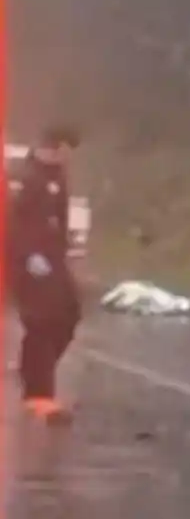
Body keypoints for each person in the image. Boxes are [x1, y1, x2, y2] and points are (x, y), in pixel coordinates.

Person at [8, 124, 82, 424]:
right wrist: (28, 256)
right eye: (66, 151)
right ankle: (39, 394)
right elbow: (15, 222)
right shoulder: (28, 178)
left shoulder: (57, 177)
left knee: (68, 316)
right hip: (30, 261)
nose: (68, 158)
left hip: (53, 259)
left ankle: (33, 372)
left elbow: (58, 220)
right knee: (41, 324)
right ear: (55, 147)